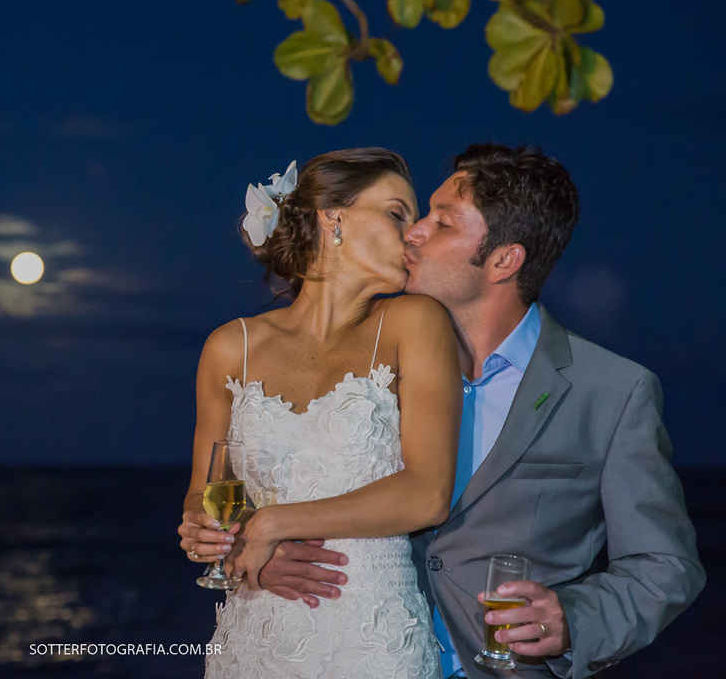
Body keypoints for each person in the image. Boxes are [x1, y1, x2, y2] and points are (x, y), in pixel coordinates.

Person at [258, 144, 705, 678]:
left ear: (503, 260)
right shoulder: (367, 367)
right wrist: (267, 559)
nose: (414, 233)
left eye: (441, 223)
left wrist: (572, 620)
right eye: (420, 215)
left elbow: (665, 567)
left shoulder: (614, 391)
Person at [178, 148, 462, 678]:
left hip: (372, 639)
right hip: (253, 635)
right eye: (398, 213)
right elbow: (204, 492)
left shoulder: (415, 324)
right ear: (333, 218)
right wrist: (222, 535)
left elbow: (427, 495)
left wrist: (273, 525)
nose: (416, 233)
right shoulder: (229, 347)